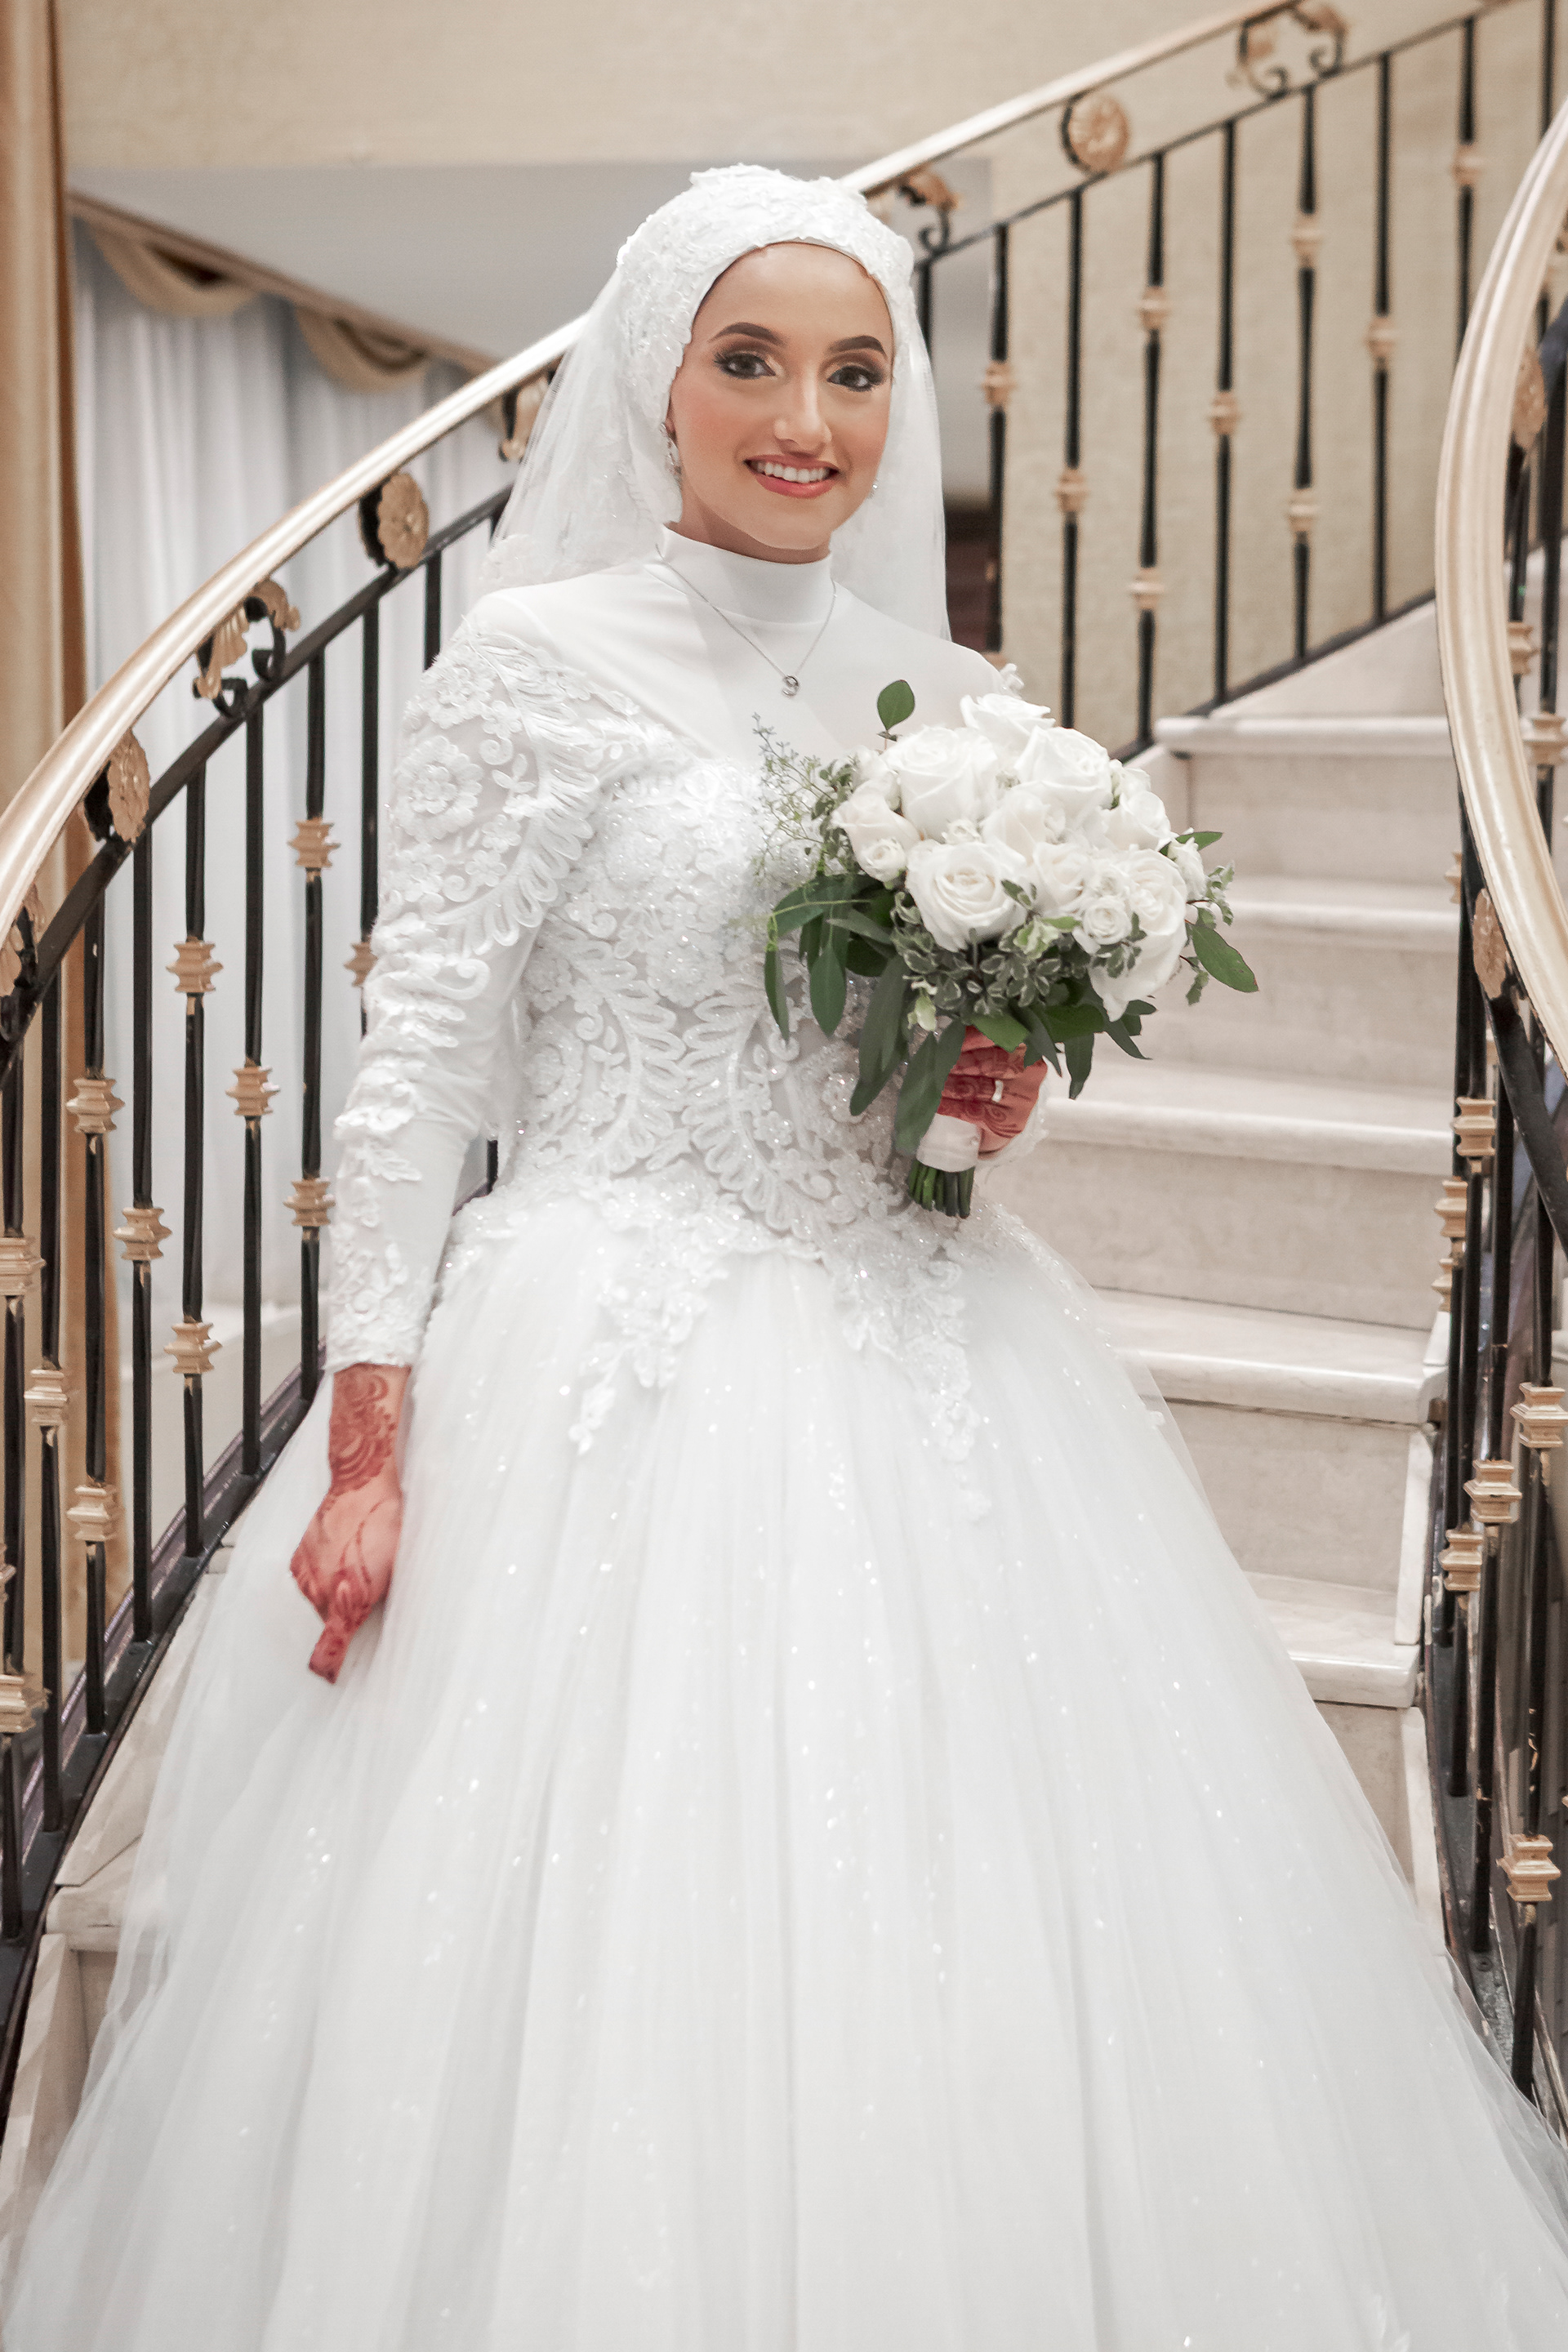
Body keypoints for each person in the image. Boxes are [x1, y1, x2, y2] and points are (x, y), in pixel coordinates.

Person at [7, 165, 1568, 2350]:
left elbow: (922, 1099)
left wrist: (984, 1090)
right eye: (750, 362)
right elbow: (417, 1064)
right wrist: (368, 1431)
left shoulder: (948, 697)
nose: (805, 419)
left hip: (922, 1345)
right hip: (610, 1351)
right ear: (662, 383)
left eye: (853, 371)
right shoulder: (530, 667)